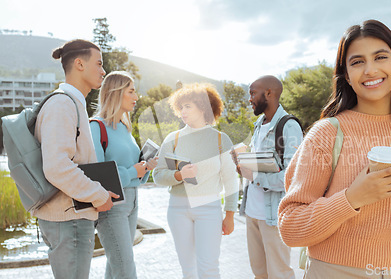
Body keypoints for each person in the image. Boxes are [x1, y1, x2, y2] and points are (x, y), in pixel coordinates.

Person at [277, 20, 391, 278]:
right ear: (346, 74)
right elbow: (291, 228)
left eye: (380, 57)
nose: (370, 69)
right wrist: (351, 198)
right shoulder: (327, 133)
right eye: (357, 62)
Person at [34, 39, 118, 279]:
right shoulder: (62, 104)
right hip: (68, 219)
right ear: (79, 64)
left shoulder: (73, 104)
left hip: (72, 216)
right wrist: (98, 194)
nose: (104, 71)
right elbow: (57, 166)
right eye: (99, 64)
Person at [153, 83, 239, 279]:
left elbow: (231, 180)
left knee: (208, 268)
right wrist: (179, 175)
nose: (182, 111)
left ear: (203, 107)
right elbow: (157, 175)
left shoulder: (220, 140)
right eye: (181, 107)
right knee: (188, 270)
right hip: (177, 209)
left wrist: (230, 215)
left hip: (209, 208)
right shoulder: (172, 139)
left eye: (188, 106)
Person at [90, 71, 158, 279]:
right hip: (112, 207)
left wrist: (145, 167)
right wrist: (132, 171)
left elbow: (134, 171)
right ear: (116, 93)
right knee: (125, 269)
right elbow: (97, 176)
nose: (136, 97)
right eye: (131, 91)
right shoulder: (96, 126)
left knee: (116, 267)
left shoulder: (124, 127)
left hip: (133, 203)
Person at [239, 75, 303, 279]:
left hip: (273, 217)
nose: (249, 99)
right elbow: (260, 164)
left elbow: (293, 178)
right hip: (252, 212)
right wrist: (242, 166)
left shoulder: (289, 126)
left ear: (269, 93)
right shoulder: (259, 123)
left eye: (252, 93)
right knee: (259, 273)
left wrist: (255, 176)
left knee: (279, 273)